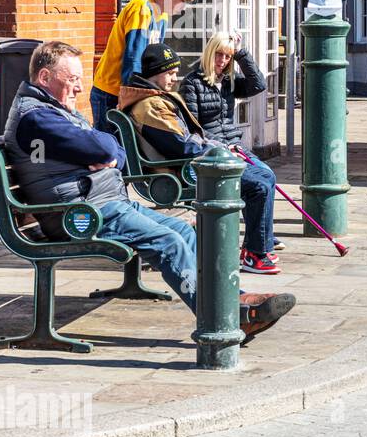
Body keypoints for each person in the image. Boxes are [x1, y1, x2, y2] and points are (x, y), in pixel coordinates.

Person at [3, 41, 295, 342]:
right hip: (79, 215)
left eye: (80, 80)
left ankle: (236, 300)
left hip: (104, 203)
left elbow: (110, 147)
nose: (79, 88)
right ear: (45, 78)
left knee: (185, 232)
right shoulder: (38, 118)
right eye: (73, 80)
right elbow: (102, 146)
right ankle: (225, 318)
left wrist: (104, 155)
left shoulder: (54, 110)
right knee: (168, 241)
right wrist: (103, 154)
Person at [119, 44, 282, 276]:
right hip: (186, 173)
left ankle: (259, 247)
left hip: (196, 162)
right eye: (170, 72)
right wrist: (218, 150)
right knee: (258, 185)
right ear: (155, 73)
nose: (175, 77)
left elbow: (185, 140)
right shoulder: (151, 105)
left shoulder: (155, 98)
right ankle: (256, 254)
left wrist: (218, 148)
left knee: (264, 175)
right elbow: (181, 146)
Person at [91, 0, 196, 134]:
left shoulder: (162, 15)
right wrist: (129, 97)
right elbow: (134, 58)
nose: (183, 8)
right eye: (182, 0)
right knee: (109, 152)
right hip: (112, 91)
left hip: (129, 91)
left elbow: (156, 61)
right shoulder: (142, 8)